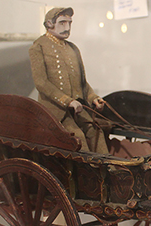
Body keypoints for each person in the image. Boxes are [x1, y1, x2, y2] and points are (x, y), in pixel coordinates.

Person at [29, 7, 109, 153]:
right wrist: (67, 101)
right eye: (62, 23)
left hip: (78, 109)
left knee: (95, 132)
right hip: (55, 111)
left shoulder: (73, 48)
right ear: (49, 24)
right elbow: (41, 83)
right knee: (77, 137)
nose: (67, 27)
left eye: (69, 23)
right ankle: (87, 174)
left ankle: (107, 172)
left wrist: (93, 97)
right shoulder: (38, 46)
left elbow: (82, 82)